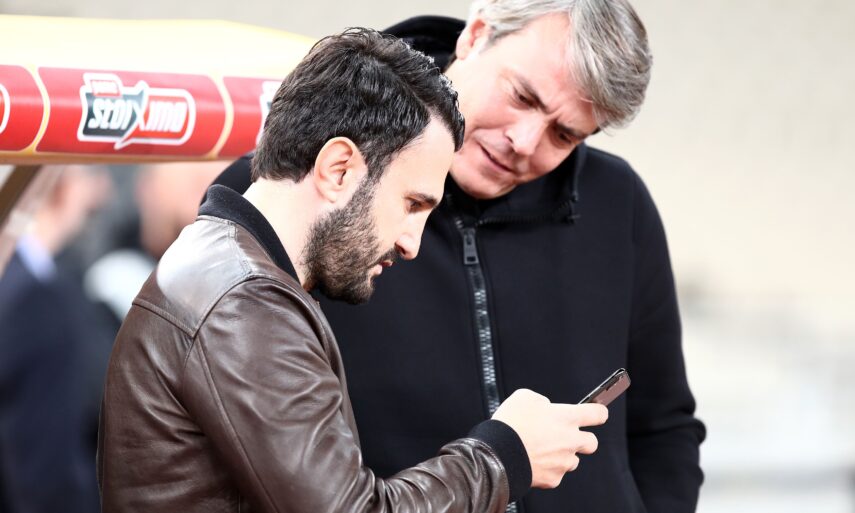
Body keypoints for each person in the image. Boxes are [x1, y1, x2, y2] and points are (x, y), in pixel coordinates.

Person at [214, 1, 707, 512]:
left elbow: (664, 427)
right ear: (476, 34)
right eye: (522, 96)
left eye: (564, 135)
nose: (524, 142)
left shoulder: (617, 202)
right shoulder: (292, 191)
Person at [97, 28, 609, 513]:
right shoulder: (244, 302)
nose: (412, 243)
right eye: (412, 204)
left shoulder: (226, 273)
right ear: (338, 168)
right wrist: (505, 455)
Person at [0, 165, 112, 513]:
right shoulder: (35, 299)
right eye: (89, 176)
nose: (101, 192)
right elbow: (46, 474)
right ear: (61, 185)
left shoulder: (28, 283)